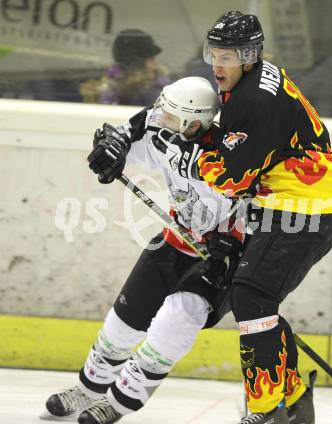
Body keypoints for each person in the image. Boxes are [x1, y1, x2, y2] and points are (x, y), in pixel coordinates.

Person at [151, 10, 332, 424]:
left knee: (251, 293)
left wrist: (189, 151)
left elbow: (230, 177)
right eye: (213, 53)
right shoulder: (254, 80)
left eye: (227, 56)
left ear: (250, 55)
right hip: (293, 197)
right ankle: (293, 400)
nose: (216, 64)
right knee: (255, 295)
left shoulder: (254, 101)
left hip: (308, 204)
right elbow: (249, 158)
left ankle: (266, 409)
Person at [40, 77, 244, 424]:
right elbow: (126, 134)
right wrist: (110, 150)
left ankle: (117, 403)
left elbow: (265, 198)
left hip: (222, 254)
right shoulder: (167, 128)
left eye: (170, 116)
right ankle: (88, 390)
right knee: (123, 320)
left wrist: (236, 239)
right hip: (177, 238)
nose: (160, 118)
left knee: (175, 320)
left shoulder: (232, 153)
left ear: (194, 122)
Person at [80, 29, 172, 106]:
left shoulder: (109, 87)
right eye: (150, 58)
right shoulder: (148, 90)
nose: (155, 63)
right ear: (136, 63)